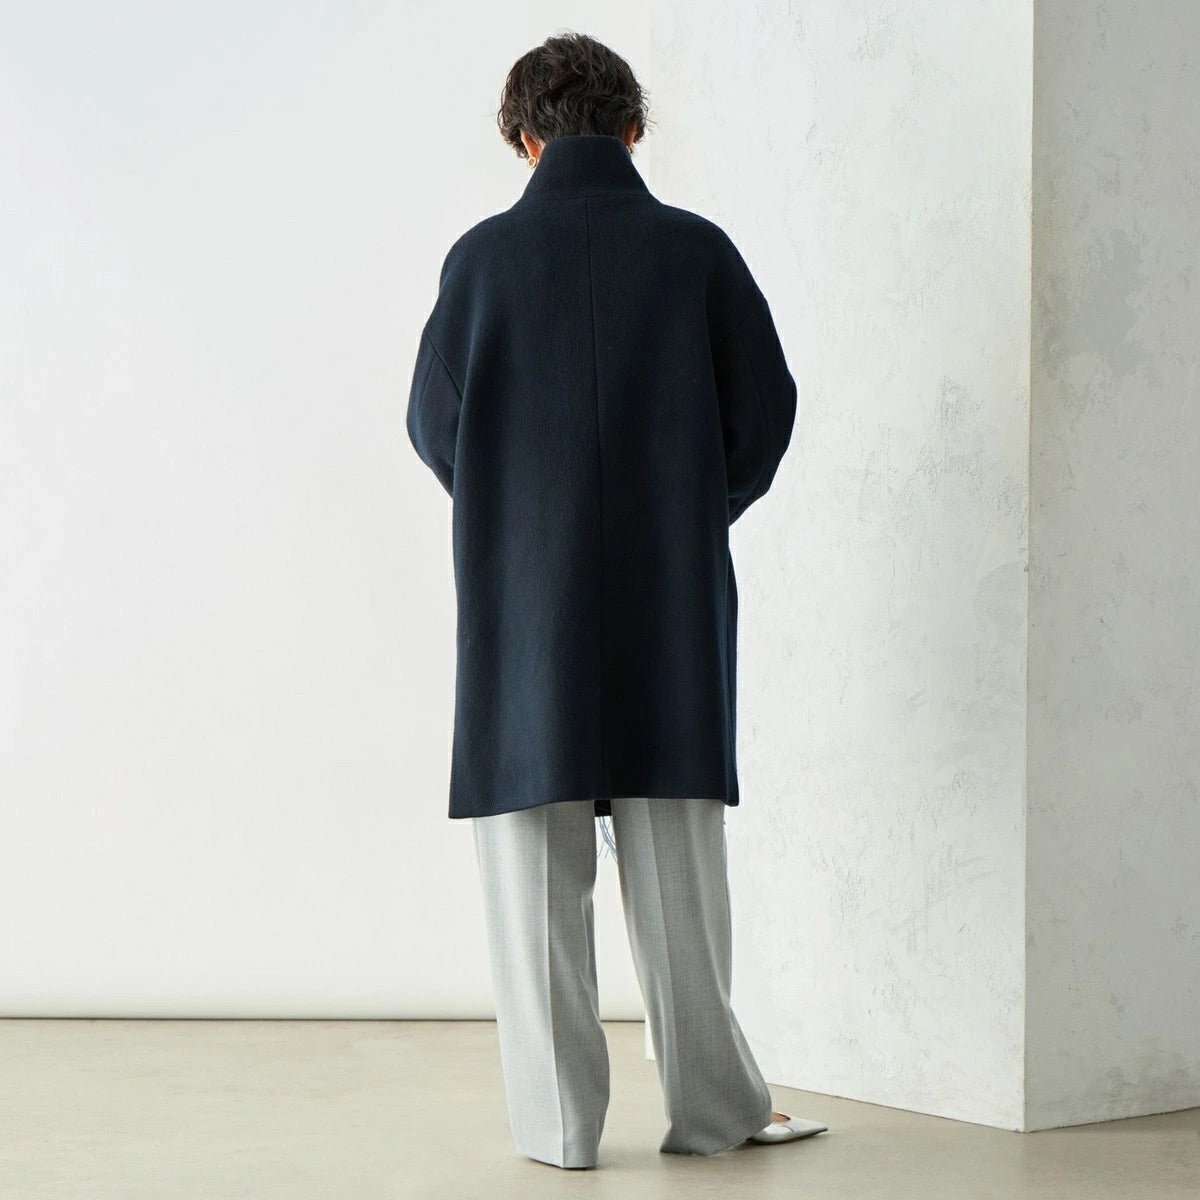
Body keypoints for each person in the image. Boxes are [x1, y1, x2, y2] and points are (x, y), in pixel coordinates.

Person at [406, 31, 828, 1169]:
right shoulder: (697, 253)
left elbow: (434, 429)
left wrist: (517, 513)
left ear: (523, 138)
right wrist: (687, 509)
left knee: (530, 875)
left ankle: (559, 1130)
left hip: (524, 608)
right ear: (634, 128)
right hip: (666, 601)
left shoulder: (481, 262)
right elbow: (765, 418)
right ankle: (717, 1113)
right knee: (680, 872)